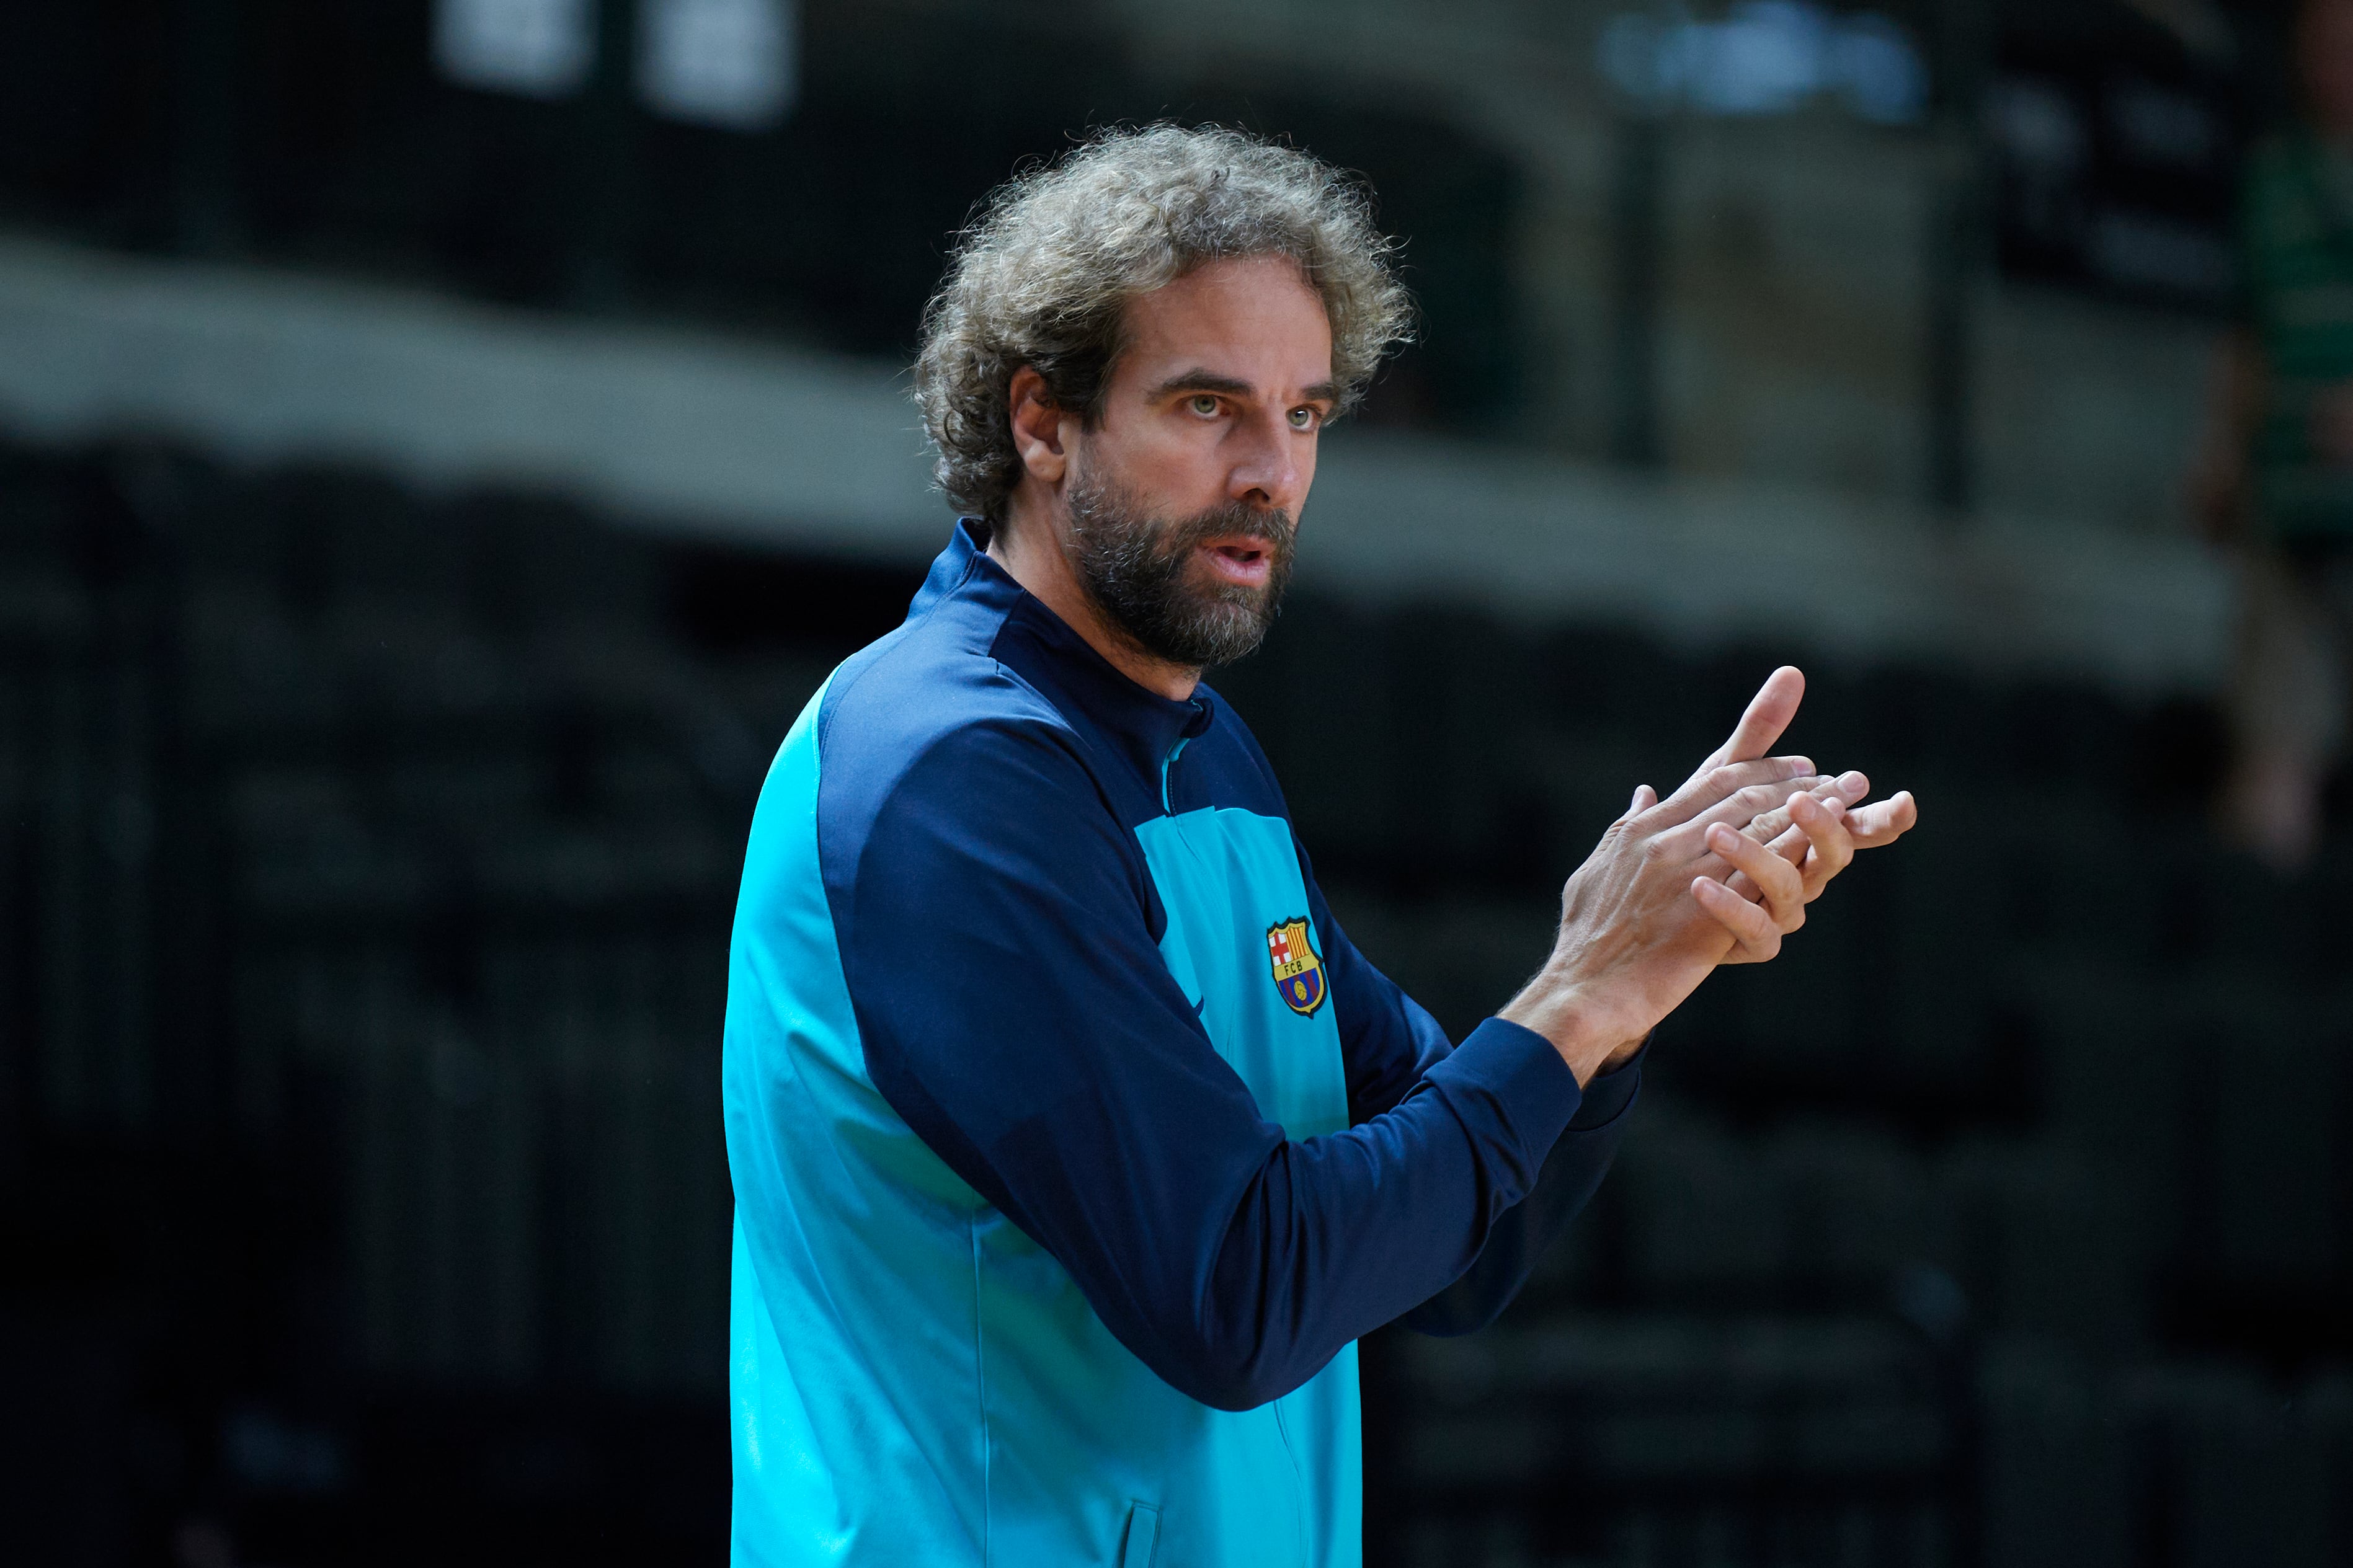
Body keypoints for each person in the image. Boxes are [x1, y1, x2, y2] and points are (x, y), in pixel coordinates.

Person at [719, 125, 1918, 1568]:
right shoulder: (950, 771)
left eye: (1304, 413)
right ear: (1041, 420)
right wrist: (1577, 994)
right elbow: (1239, 1288)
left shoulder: (1200, 746)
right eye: (1208, 405)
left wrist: (1639, 965)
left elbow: (1454, 1238)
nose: (1271, 473)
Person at [2197, 0, 2353, 868]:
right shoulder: (2274, 178)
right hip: (2289, 503)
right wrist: (2220, 452)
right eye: (2322, 46)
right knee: (2274, 747)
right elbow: (2245, 336)